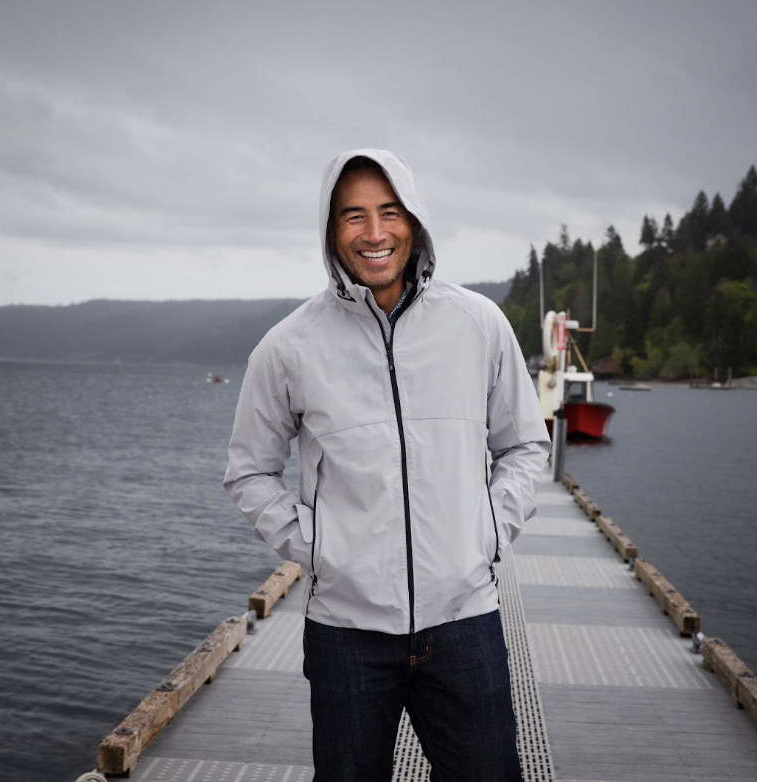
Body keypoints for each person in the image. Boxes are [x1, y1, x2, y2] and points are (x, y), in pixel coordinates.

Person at [224, 148, 549, 781]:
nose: (374, 233)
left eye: (389, 212)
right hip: (346, 633)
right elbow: (249, 472)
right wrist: (320, 548)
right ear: (329, 229)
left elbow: (524, 446)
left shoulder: (477, 324)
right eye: (354, 216)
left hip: (464, 622)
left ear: (415, 220)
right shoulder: (289, 347)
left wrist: (485, 533)